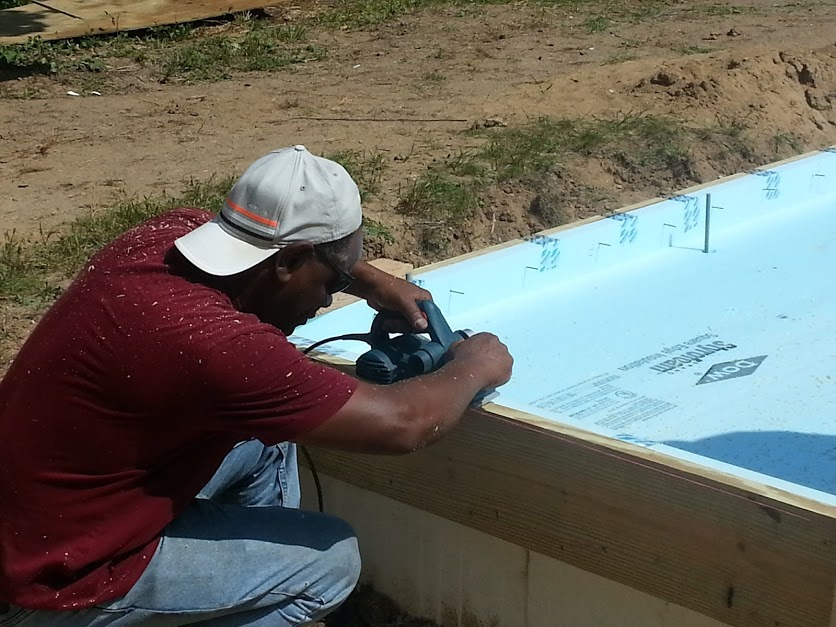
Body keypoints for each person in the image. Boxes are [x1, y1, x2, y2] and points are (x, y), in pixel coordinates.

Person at [0, 145, 513, 627]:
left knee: (264, 439)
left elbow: (279, 246)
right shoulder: (220, 347)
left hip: (34, 522)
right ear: (288, 262)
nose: (328, 303)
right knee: (330, 561)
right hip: (53, 581)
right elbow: (404, 424)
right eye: (331, 285)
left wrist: (376, 283)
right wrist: (474, 365)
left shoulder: (161, 238)